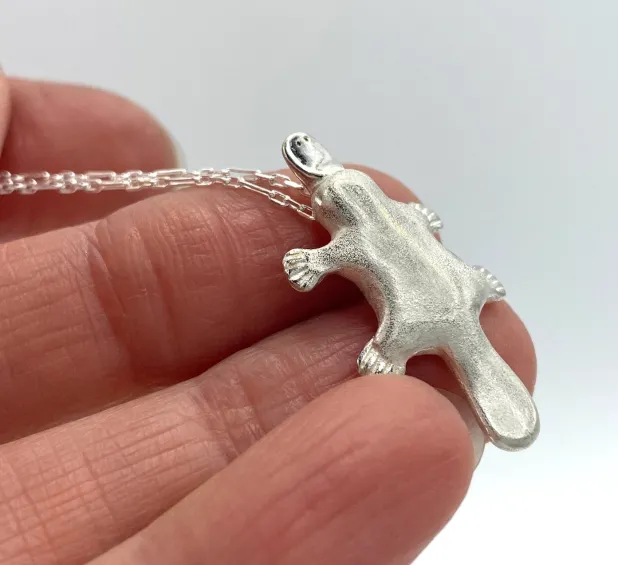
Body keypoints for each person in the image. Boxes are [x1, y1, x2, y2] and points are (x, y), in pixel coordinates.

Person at [0, 74, 537, 565]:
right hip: (462, 291)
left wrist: (315, 262)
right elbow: (405, 224)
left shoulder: (363, 230)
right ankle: (440, 318)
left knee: (412, 325)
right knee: (450, 305)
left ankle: (391, 348)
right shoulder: (392, 215)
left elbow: (352, 248)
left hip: (422, 313)